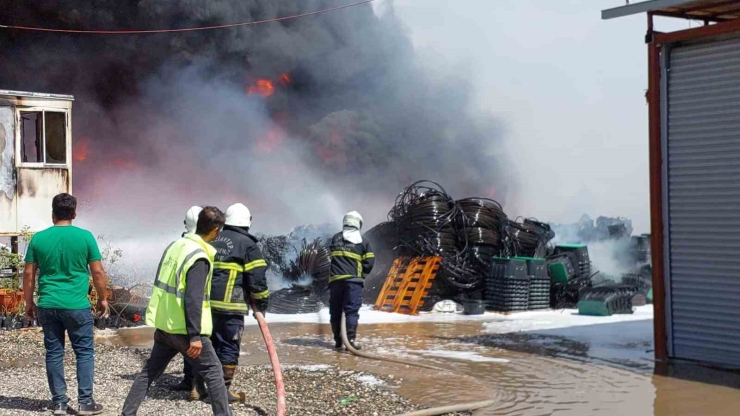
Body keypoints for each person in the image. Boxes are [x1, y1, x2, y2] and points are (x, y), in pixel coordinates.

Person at [121, 207, 232, 416]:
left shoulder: (175, 246)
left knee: (149, 372)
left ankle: (127, 413)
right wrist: (195, 336)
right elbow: (193, 299)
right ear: (215, 230)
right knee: (215, 373)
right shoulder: (199, 257)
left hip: (165, 325)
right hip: (184, 329)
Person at [23, 193, 108, 416]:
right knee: (84, 352)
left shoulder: (38, 239)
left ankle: (59, 403)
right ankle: (85, 403)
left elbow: (29, 275)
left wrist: (29, 302)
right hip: (76, 305)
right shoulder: (85, 237)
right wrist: (103, 298)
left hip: (48, 304)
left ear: (53, 214)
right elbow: (97, 272)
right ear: (74, 213)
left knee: (53, 352)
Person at [208, 203, 270, 402]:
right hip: (231, 307)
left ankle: (197, 386)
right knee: (228, 346)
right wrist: (262, 303)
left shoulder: (213, 238)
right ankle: (221, 393)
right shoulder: (248, 244)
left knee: (209, 345)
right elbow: (257, 278)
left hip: (206, 304)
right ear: (247, 222)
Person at [328, 211, 374, 350]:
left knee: (335, 311)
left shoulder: (336, 238)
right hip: (353, 282)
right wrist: (362, 276)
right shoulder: (363, 241)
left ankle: (338, 341)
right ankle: (351, 341)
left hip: (336, 281)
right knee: (351, 311)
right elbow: (370, 261)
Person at [172, 205, 203, 393]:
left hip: (179, 306)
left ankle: (189, 380)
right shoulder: (204, 246)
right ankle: (196, 386)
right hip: (199, 305)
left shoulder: (180, 244)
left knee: (188, 345)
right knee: (198, 345)